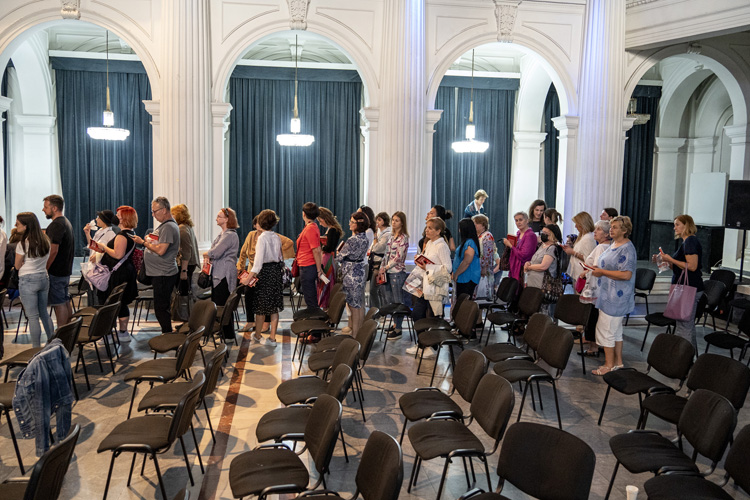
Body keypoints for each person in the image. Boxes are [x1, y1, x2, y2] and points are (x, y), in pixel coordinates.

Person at [591, 216, 637, 375]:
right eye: (611, 227)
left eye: (615, 227)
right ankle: (618, 362)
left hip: (616, 297)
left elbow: (626, 275)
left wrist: (602, 272)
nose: (611, 229)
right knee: (616, 331)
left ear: (624, 230)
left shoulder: (627, 249)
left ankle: (608, 365)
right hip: (607, 294)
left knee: (607, 330)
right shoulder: (614, 244)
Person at [132, 197, 180, 333]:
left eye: (154, 211)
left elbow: (161, 250)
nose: (153, 214)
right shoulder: (165, 225)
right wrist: (150, 240)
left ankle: (167, 335)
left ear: (164, 210)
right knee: (161, 307)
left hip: (163, 273)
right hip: (159, 272)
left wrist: (143, 243)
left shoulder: (169, 226)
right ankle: (167, 333)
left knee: (161, 308)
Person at [238, 216, 295, 332]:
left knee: (266, 298)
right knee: (249, 294)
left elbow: (289, 243)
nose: (258, 225)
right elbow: (243, 252)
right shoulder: (251, 235)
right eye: (257, 223)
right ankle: (251, 321)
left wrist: (275, 254)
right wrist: (240, 268)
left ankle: (265, 324)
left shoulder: (270, 236)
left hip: (264, 271)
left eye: (260, 222)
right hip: (254, 270)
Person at [406, 217, 452, 358]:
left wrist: (427, 267)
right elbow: (428, 262)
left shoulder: (441, 245)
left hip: (434, 287)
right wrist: (420, 260)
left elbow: (448, 268)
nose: (427, 230)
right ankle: (422, 343)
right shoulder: (430, 243)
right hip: (425, 286)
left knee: (431, 317)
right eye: (427, 227)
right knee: (417, 314)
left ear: (438, 231)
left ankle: (431, 347)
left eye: (430, 228)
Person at [657, 214, 704, 352]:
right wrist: (664, 261)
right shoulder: (686, 242)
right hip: (687, 286)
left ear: (686, 225)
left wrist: (671, 259)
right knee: (686, 325)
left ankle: (682, 357)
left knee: (684, 325)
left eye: (677, 224)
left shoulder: (690, 241)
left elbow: (692, 266)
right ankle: (689, 356)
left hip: (689, 288)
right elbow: (680, 267)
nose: (674, 228)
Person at [93, 206, 138, 342]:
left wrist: (104, 247)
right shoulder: (130, 233)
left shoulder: (122, 235)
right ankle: (122, 333)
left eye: (118, 215)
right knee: (121, 302)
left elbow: (118, 254)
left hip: (118, 274)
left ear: (124, 218)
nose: (116, 217)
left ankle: (108, 334)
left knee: (110, 302)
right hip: (124, 271)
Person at [240, 209, 284, 346]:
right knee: (273, 307)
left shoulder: (261, 238)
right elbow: (280, 257)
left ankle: (258, 335)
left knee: (261, 307)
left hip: (265, 273)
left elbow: (257, 264)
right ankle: (272, 338)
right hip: (275, 272)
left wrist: (247, 279)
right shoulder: (276, 237)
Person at [14, 212, 54, 348]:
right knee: (44, 313)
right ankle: (53, 343)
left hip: (27, 279)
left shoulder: (23, 243)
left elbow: (17, 266)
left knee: (32, 317)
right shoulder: (46, 240)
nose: (15, 225)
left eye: (18, 223)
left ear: (26, 226)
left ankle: (36, 349)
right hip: (43, 277)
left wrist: (23, 263)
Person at [203, 207, 240, 341]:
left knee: (223, 304)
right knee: (219, 302)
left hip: (224, 274)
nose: (216, 219)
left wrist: (207, 253)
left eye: (219, 216)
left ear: (227, 219)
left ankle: (228, 334)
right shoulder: (223, 234)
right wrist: (209, 253)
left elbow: (215, 252)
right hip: (219, 273)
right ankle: (223, 331)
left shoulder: (229, 235)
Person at [578, 219, 612, 355]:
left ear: (606, 234)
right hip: (602, 287)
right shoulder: (608, 246)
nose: (595, 232)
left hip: (596, 288)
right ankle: (597, 345)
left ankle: (593, 348)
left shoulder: (601, 247)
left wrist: (585, 271)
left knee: (593, 318)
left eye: (598, 229)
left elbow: (596, 267)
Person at [335, 212, 370, 338]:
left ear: (358, 224)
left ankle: (354, 335)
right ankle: (359, 333)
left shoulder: (352, 239)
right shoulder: (365, 238)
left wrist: (338, 253)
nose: (349, 224)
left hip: (351, 274)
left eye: (352, 222)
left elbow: (340, 257)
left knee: (353, 306)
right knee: (359, 305)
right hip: (360, 272)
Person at [42, 194, 75, 327]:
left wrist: (45, 268)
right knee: (65, 300)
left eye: (46, 207)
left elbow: (53, 250)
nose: (43, 210)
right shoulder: (66, 222)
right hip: (64, 270)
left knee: (59, 303)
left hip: (56, 271)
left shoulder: (56, 225)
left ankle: (62, 333)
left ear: (54, 208)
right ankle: (69, 330)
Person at [378, 211, 409, 339]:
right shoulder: (391, 237)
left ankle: (398, 328)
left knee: (398, 301)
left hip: (397, 272)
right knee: (390, 300)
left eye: (397, 220)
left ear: (402, 223)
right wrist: (382, 267)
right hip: (388, 272)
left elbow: (398, 257)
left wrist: (386, 267)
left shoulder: (403, 238)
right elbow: (386, 254)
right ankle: (395, 324)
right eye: (393, 220)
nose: (394, 222)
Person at [523, 224, 563, 311]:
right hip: (533, 283)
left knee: (542, 311)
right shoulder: (542, 245)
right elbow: (535, 261)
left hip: (543, 286)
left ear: (552, 235)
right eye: (542, 232)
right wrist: (528, 263)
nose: (542, 235)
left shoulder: (552, 248)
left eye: (546, 233)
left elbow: (543, 266)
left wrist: (529, 267)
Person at [296, 202, 324, 311]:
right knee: (309, 295)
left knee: (310, 297)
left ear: (304, 214)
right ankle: (313, 315)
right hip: (307, 265)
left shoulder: (310, 228)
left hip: (308, 266)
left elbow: (316, 250)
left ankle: (313, 317)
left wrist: (319, 269)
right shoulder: (311, 227)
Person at [171, 204, 199, 296]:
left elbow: (186, 251)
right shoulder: (187, 227)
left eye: (173, 214)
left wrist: (184, 270)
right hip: (189, 264)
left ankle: (182, 306)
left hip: (186, 264)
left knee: (182, 292)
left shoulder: (181, 229)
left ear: (178, 215)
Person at [317, 207, 342, 309]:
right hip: (327, 258)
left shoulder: (333, 230)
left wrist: (320, 246)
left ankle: (326, 305)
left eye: (320, 220)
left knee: (326, 282)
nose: (320, 223)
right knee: (325, 281)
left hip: (327, 259)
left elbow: (330, 247)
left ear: (325, 218)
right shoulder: (332, 229)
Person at [563, 212, 597, 284]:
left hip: (582, 274)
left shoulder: (588, 238)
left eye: (577, 224)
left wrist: (572, 252)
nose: (575, 226)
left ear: (582, 224)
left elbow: (588, 259)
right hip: (577, 274)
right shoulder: (582, 236)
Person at [504, 211, 537, 285]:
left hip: (523, 268)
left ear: (527, 220)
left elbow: (524, 255)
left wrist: (510, 246)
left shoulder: (530, 235)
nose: (518, 222)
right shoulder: (518, 233)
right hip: (515, 266)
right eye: (516, 220)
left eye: (520, 220)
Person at [368, 212, 391, 309]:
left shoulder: (387, 234)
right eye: (377, 219)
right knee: (375, 290)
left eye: (379, 220)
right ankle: (375, 309)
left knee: (374, 289)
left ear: (384, 221)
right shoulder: (379, 233)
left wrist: (375, 237)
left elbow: (377, 248)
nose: (377, 222)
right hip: (374, 262)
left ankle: (377, 310)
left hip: (380, 264)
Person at [452, 218, 481, 298]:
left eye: (460, 228)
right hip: (463, 276)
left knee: (464, 302)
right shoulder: (466, 242)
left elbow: (467, 261)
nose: (459, 230)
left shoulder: (470, 243)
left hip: (467, 277)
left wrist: (456, 274)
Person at [472, 214, 495, 299]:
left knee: (484, 291)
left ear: (483, 225)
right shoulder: (478, 236)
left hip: (485, 268)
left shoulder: (487, 236)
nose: (475, 225)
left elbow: (487, 253)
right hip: (477, 267)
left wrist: (484, 267)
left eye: (477, 223)